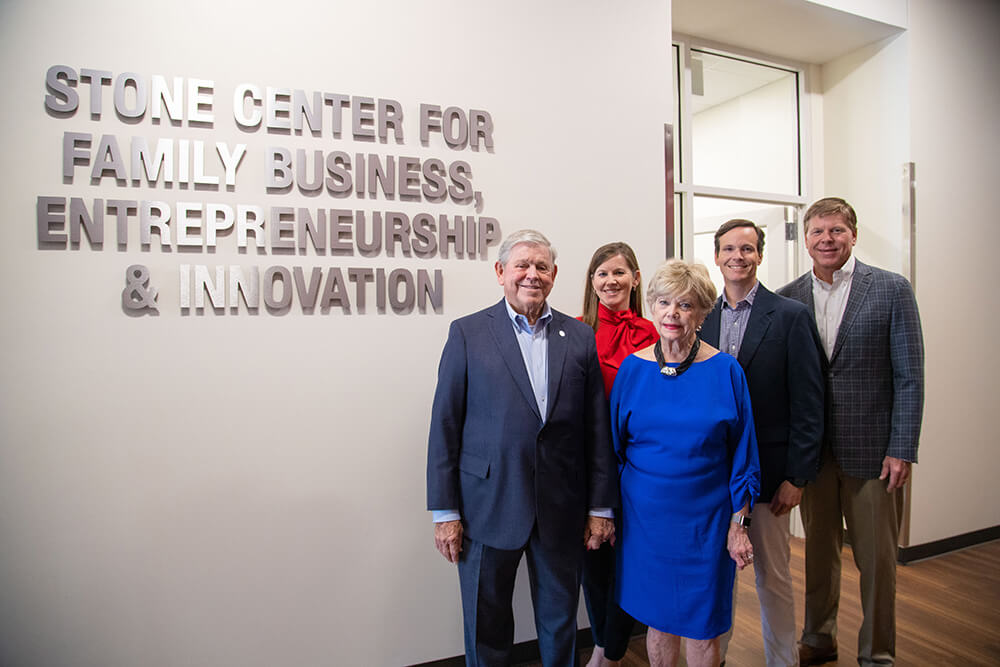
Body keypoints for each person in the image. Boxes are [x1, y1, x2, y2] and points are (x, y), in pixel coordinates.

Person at [426, 229, 618, 667]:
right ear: (500, 272)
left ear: (554, 276)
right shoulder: (468, 333)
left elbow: (595, 430)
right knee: (486, 624)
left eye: (542, 267)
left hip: (561, 507)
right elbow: (444, 426)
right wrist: (445, 512)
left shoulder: (580, 337)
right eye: (522, 266)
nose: (532, 275)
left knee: (560, 623)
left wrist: (601, 508)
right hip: (485, 507)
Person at [777, 198, 924, 667]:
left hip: (874, 453)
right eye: (817, 232)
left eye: (836, 230)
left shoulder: (890, 289)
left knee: (877, 564)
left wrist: (902, 448)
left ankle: (877, 652)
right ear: (806, 240)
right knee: (818, 555)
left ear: (853, 234)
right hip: (813, 456)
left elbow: (909, 377)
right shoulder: (787, 297)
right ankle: (818, 638)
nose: (827, 240)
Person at [610, 259, 760, 667]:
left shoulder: (726, 371)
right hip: (646, 523)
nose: (672, 314)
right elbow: (615, 449)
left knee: (703, 622)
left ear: (702, 312)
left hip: (706, 524)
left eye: (685, 305)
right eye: (663, 303)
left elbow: (744, 456)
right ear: (652, 308)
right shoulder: (632, 369)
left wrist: (739, 525)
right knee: (659, 620)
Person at [700, 219, 824, 667]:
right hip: (712, 477)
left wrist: (798, 475)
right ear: (716, 256)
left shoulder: (790, 316)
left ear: (760, 255)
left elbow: (809, 402)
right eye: (729, 248)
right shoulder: (701, 317)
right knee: (718, 579)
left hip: (770, 478)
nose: (738, 256)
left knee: (772, 577)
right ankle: (718, 658)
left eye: (747, 249)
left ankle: (782, 661)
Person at [578, 242, 658, 667]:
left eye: (619, 273)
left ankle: (611, 652)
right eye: (602, 274)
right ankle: (602, 646)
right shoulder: (575, 330)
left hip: (642, 468)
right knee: (595, 560)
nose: (610, 281)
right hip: (592, 465)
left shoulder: (655, 330)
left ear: (636, 278)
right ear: (591, 282)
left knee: (632, 563)